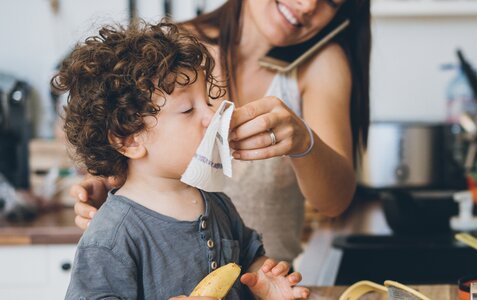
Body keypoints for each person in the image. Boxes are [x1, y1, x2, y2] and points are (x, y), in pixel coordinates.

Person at [71, 0, 372, 263]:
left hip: (262, 282)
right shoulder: (170, 51)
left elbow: (334, 201)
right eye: (189, 109)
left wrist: (304, 142)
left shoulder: (321, 63)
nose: (308, 4)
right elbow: (126, 135)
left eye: (333, 0)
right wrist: (106, 177)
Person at [54, 22, 309, 299]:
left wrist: (265, 282)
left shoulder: (217, 203)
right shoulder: (112, 235)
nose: (211, 117)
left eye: (209, 102)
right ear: (129, 139)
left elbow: (249, 256)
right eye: (188, 109)